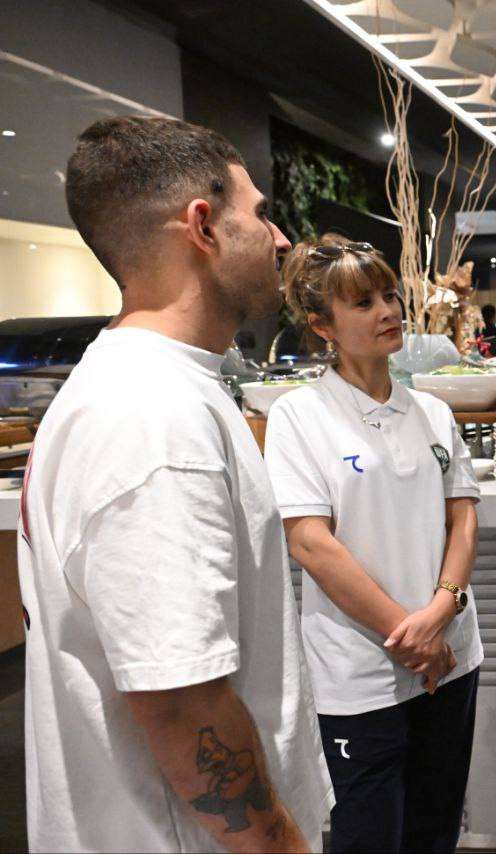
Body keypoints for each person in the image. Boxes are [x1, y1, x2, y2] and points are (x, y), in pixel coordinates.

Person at [18, 115, 332, 852]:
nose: (280, 238)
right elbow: (181, 701)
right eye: (260, 214)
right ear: (203, 226)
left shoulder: (150, 388)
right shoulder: (151, 417)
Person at [265, 234, 484, 853]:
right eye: (363, 303)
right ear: (322, 326)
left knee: (435, 830)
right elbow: (311, 544)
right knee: (368, 835)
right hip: (360, 671)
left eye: (390, 296)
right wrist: (410, 637)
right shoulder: (299, 416)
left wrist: (440, 612)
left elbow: (463, 519)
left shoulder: (433, 412)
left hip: (451, 656)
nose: (388, 311)